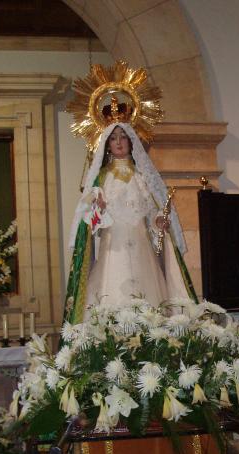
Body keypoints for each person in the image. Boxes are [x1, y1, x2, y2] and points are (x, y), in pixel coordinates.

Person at [63, 121, 196, 324]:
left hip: (142, 250)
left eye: (123, 137)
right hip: (112, 250)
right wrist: (98, 209)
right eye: (113, 138)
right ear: (107, 144)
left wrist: (159, 221)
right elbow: (90, 224)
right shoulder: (101, 178)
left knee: (150, 303)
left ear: (131, 141)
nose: (118, 142)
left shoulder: (142, 176)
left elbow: (151, 213)